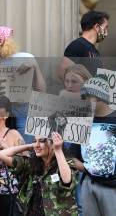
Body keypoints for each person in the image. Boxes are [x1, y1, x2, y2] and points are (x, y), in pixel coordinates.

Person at [0, 26, 46, 142]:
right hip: (1, 113)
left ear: (1, 41)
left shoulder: (26, 58)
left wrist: (35, 66)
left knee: (25, 147)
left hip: (24, 111)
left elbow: (41, 90)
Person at [0, 132, 78, 216]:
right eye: (35, 141)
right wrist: (30, 146)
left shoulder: (66, 163)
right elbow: (1, 154)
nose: (37, 144)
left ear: (53, 143)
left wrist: (58, 150)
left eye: (41, 141)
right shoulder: (31, 163)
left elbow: (67, 181)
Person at [69, 75, 116, 216]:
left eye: (86, 97)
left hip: (112, 187)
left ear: (100, 97)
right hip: (88, 184)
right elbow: (71, 154)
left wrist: (84, 167)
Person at [60, 11, 109, 77]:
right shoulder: (77, 45)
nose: (106, 33)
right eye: (105, 27)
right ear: (97, 27)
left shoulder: (94, 50)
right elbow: (62, 73)